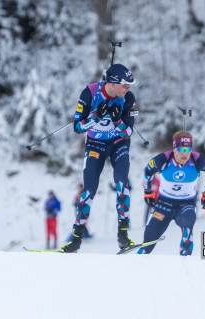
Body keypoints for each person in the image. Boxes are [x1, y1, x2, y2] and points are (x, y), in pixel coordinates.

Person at [61, 63, 137, 253]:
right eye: (126, 85)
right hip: (95, 145)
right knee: (89, 191)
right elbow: (77, 127)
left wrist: (117, 119)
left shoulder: (128, 98)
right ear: (113, 83)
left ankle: (123, 236)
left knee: (121, 184)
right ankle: (76, 241)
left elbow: (128, 132)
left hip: (119, 143)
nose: (129, 89)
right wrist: (95, 116)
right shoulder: (89, 93)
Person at [137, 131, 205, 256]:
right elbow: (148, 171)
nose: (185, 153)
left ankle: (185, 263)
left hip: (186, 204)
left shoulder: (197, 160)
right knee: (149, 238)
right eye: (181, 149)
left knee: (188, 226)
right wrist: (147, 192)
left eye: (188, 149)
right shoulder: (162, 160)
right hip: (164, 204)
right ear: (174, 148)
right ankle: (139, 261)